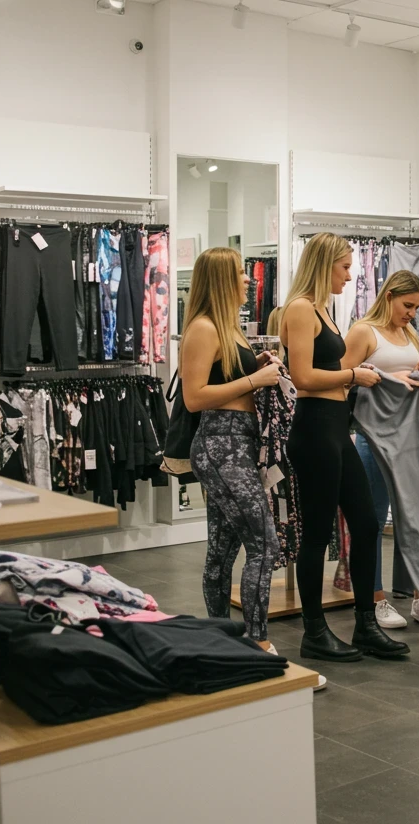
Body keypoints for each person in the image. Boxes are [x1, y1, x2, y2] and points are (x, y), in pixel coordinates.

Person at [281, 233, 409, 663]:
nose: (350, 275)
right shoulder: (300, 310)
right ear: (323, 265)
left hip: (336, 427)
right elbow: (302, 378)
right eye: (344, 267)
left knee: (368, 523)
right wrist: (354, 375)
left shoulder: (324, 310)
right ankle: (314, 631)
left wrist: (365, 372)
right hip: (315, 428)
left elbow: (330, 367)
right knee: (316, 534)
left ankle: (365, 624)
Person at [180, 247, 282, 651]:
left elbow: (224, 375)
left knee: (223, 549)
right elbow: (195, 397)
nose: (248, 279)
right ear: (223, 280)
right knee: (264, 543)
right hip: (221, 445)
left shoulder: (226, 328)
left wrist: (253, 365)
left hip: (238, 443)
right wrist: (256, 381)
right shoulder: (204, 328)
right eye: (240, 273)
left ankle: (219, 636)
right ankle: (256, 640)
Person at [342, 269, 419, 628]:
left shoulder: (409, 332)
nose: (412, 312)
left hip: (411, 437)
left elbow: (415, 378)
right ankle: (375, 598)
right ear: (389, 297)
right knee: (370, 521)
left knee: (415, 520)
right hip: (374, 435)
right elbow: (342, 381)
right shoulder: (363, 332)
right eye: (408, 305)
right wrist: (384, 378)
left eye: (417, 307)